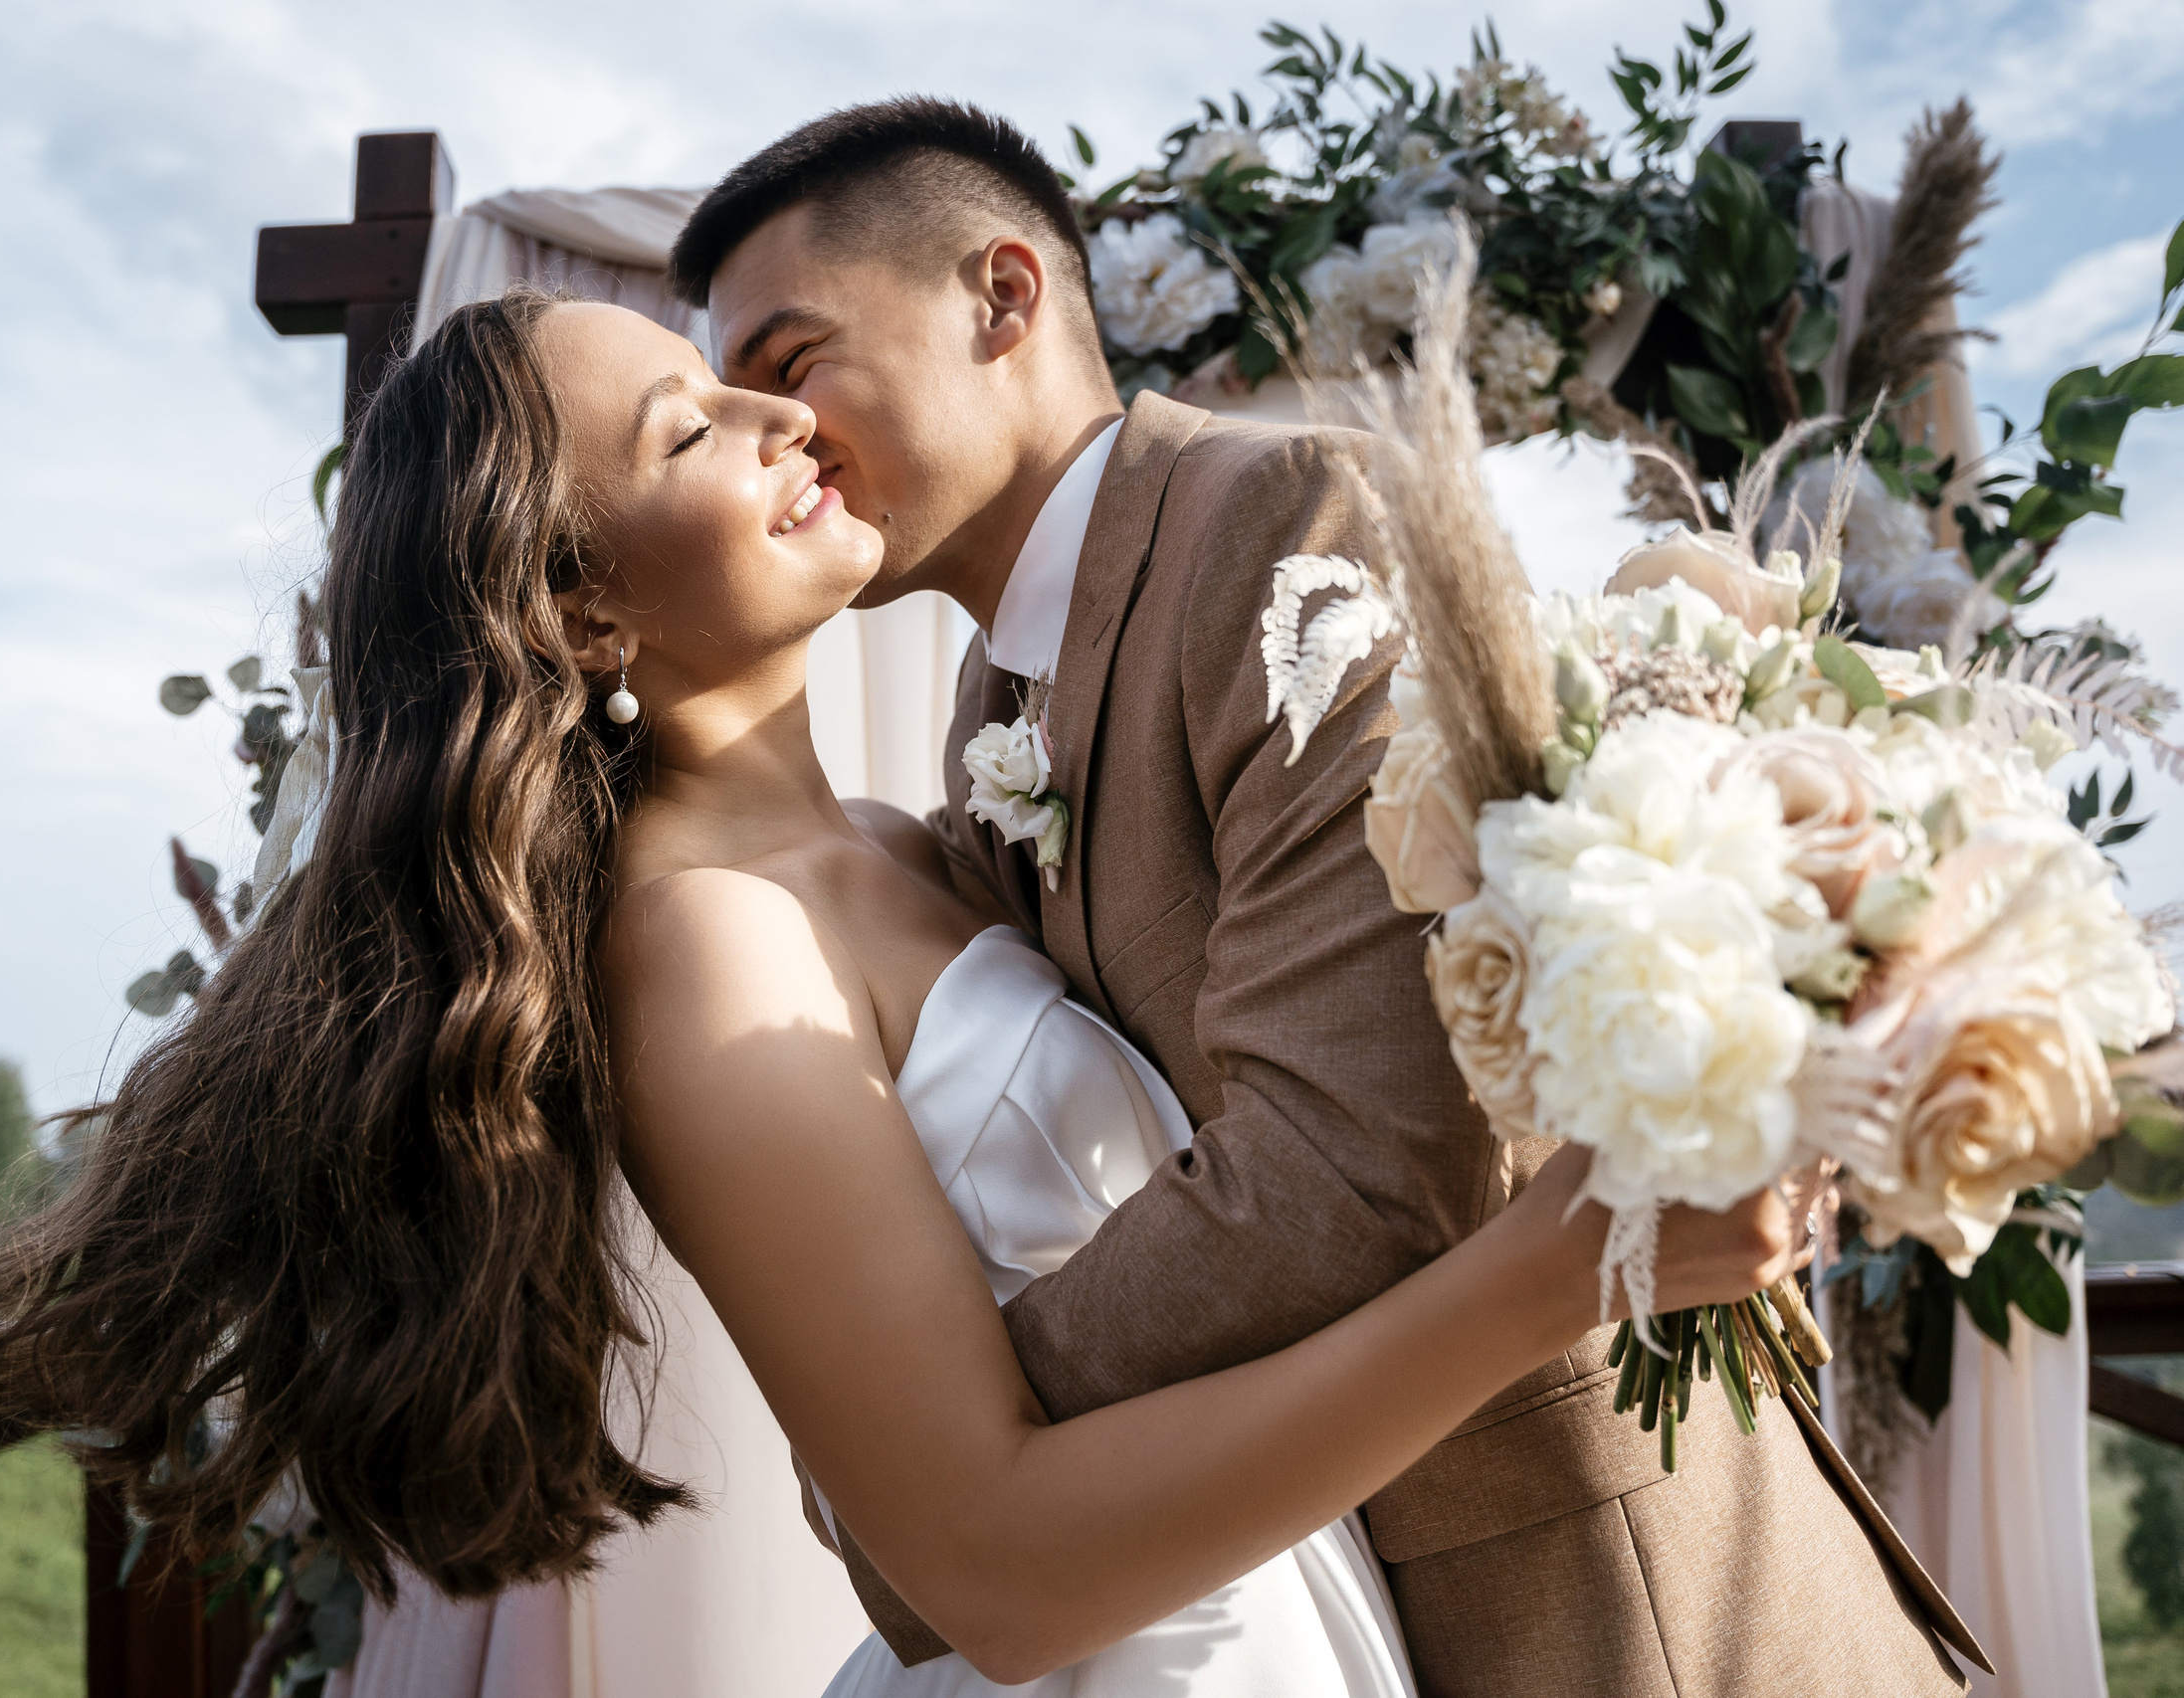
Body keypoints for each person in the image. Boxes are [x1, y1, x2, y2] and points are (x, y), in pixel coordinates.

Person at [0, 278, 1808, 1694]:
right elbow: (985, 1566)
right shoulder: (701, 947)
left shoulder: (913, 844)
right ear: (581, 615)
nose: (777, 418)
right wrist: (1562, 1265)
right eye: (688, 428)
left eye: (741, 377)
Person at [664, 99, 1979, 1695]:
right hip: (1290, 1596)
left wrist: (940, 1485)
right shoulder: (991, 716)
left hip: (1597, 1584)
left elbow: (1364, 1161)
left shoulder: (1290, 518)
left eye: (792, 366)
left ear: (1001, 298)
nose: (780, 437)